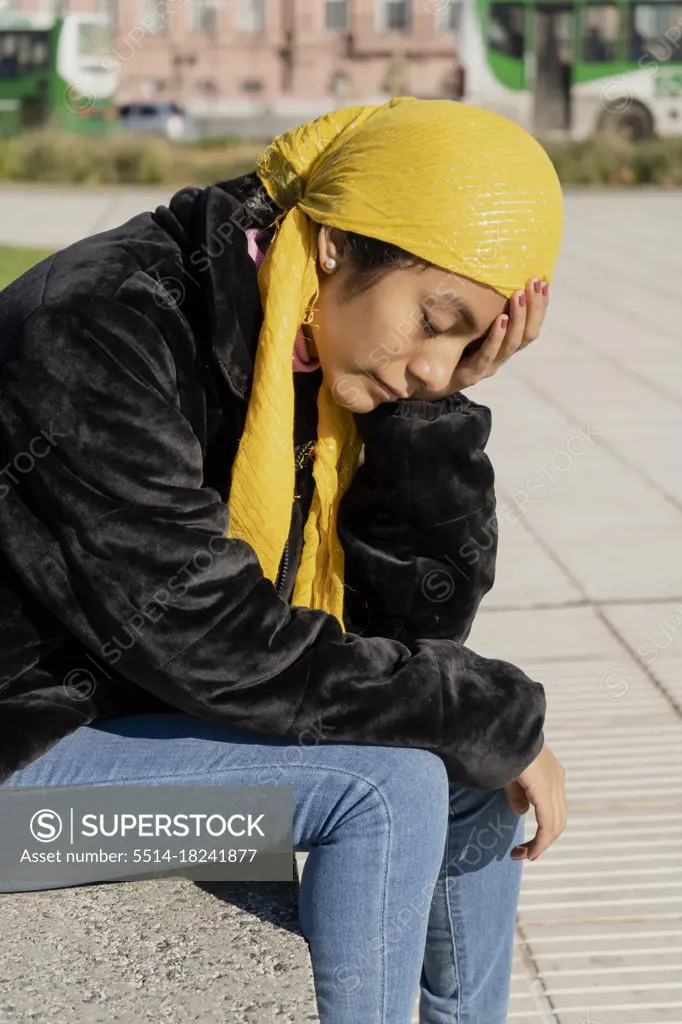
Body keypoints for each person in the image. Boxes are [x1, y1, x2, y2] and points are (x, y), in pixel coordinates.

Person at [0, 97, 566, 1023]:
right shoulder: (100, 326)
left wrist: (431, 421)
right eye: (436, 320)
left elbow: (407, 631)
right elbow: (208, 636)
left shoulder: (302, 337)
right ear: (339, 242)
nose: (434, 363)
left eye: (469, 344)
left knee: (468, 772)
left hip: (122, 722)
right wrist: (484, 705)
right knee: (382, 787)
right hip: (23, 788)